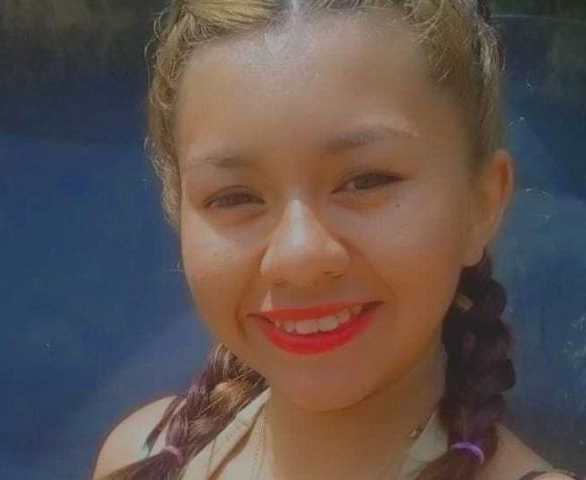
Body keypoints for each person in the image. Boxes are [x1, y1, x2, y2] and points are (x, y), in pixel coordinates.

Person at [92, 0, 582, 479]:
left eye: (366, 181)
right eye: (234, 197)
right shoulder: (140, 458)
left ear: (481, 204)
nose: (299, 255)